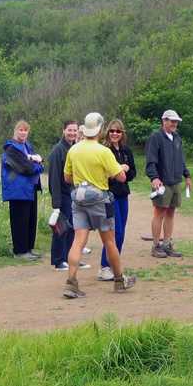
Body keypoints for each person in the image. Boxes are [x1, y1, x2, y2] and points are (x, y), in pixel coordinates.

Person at [62, 112, 135, 298]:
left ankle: (71, 282)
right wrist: (115, 170)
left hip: (78, 198)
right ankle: (119, 280)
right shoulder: (104, 151)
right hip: (100, 199)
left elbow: (67, 177)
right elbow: (121, 177)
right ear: (101, 129)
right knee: (109, 241)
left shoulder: (74, 150)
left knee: (78, 241)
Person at [145, 110, 192, 258]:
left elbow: (181, 159)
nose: (174, 124)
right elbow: (151, 160)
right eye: (171, 121)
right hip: (162, 182)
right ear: (164, 121)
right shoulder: (156, 137)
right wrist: (154, 177)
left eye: (176, 121)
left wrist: (187, 175)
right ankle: (155, 245)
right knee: (159, 213)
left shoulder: (177, 138)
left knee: (171, 212)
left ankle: (167, 243)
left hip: (176, 181)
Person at [47, 120, 90, 271]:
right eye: (69, 130)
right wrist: (56, 204)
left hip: (75, 195)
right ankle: (59, 261)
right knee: (61, 228)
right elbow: (53, 179)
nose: (72, 133)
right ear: (63, 130)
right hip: (63, 196)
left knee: (74, 228)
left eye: (74, 130)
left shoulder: (75, 148)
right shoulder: (57, 151)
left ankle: (72, 258)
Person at [98, 119, 136, 281]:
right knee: (114, 233)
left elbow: (133, 173)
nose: (115, 134)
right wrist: (118, 171)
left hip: (123, 195)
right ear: (108, 132)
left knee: (121, 233)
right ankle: (104, 266)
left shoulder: (126, 151)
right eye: (112, 131)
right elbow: (102, 174)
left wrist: (125, 172)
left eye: (118, 131)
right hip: (109, 195)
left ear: (122, 134)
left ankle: (114, 265)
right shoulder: (104, 150)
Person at [1, 120, 44, 260]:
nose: (23, 133)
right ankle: (19, 251)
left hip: (29, 189)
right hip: (18, 190)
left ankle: (28, 249)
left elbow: (35, 162)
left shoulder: (27, 146)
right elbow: (28, 168)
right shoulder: (11, 148)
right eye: (20, 130)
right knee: (20, 221)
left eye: (25, 130)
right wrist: (38, 165)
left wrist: (36, 162)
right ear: (15, 131)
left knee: (30, 220)